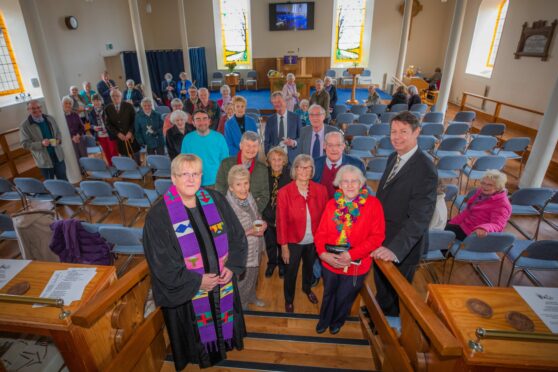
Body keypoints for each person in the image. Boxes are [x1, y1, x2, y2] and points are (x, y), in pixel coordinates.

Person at [143, 153, 247, 371]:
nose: (191, 179)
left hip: (222, 283)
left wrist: (232, 266)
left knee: (223, 319)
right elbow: (162, 263)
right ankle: (200, 355)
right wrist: (196, 282)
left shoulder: (215, 199)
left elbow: (237, 235)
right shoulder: (158, 215)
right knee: (197, 334)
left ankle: (224, 344)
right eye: (184, 174)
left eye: (195, 174)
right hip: (190, 294)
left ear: (201, 176)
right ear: (173, 178)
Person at [372, 111, 437, 316]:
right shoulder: (394, 156)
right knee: (381, 284)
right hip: (383, 235)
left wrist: (395, 249)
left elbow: (420, 218)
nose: (396, 137)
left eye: (403, 132)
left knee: (394, 291)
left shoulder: (425, 169)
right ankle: (378, 312)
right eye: (393, 131)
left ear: (416, 132)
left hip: (402, 246)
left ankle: (387, 329)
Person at [314, 165, 385, 334]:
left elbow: (377, 237)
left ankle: (337, 321)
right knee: (328, 294)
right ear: (339, 184)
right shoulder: (332, 204)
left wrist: (351, 254)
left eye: (354, 181)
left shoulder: (373, 205)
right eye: (345, 181)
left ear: (361, 184)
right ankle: (324, 320)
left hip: (356, 265)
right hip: (330, 262)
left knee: (344, 297)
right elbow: (320, 233)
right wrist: (323, 255)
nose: (350, 185)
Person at [276, 154, 328, 313]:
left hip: (314, 240)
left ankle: (307, 289)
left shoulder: (321, 190)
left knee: (309, 268)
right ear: (295, 169)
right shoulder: (284, 192)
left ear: (312, 170)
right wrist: (284, 246)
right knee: (291, 272)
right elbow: (281, 221)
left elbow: (326, 217)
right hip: (293, 241)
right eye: (300, 167)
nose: (304, 170)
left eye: (308, 167)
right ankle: (289, 299)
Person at [225, 165, 267, 310]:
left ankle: (252, 296)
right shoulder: (227, 206)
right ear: (231, 187)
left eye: (246, 183)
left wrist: (263, 223)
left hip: (256, 245)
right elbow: (228, 235)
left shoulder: (249, 197)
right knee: (242, 280)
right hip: (242, 251)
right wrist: (250, 232)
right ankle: (241, 306)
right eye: (238, 184)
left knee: (254, 275)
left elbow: (256, 215)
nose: (243, 188)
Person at [445, 170, 511, 241]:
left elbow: (498, 225)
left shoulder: (502, 205)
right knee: (442, 226)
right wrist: (453, 222)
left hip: (473, 233)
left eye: (490, 185)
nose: (485, 187)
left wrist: (484, 228)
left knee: (441, 232)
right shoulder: (481, 192)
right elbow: (468, 211)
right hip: (466, 223)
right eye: (483, 183)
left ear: (498, 187)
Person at [215, 131, 269, 213]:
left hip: (253, 214)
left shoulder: (262, 169)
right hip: (230, 213)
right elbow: (220, 191)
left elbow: (265, 196)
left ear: (258, 148)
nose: (251, 149)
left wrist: (252, 210)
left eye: (254, 146)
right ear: (241, 146)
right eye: (248, 145)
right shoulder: (226, 164)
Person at [19, 100, 67, 180]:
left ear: (41, 107)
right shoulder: (24, 126)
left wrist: (59, 140)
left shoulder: (50, 118)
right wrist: (41, 144)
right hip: (44, 160)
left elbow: (58, 132)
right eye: (33, 108)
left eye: (38, 107)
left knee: (63, 179)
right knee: (50, 183)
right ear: (28, 110)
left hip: (58, 156)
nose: (37, 110)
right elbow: (24, 144)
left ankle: (67, 192)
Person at [262, 147, 290, 278]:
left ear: (284, 161)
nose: (277, 162)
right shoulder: (264, 174)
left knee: (282, 242)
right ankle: (271, 263)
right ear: (269, 161)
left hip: (283, 217)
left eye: (280, 159)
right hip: (268, 215)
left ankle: (282, 265)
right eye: (274, 159)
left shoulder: (290, 176)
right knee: (270, 242)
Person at [182, 110, 229, 187]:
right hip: (195, 182)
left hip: (216, 181)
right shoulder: (187, 139)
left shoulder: (219, 138)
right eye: (198, 119)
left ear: (209, 121)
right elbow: (184, 163)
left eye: (205, 118)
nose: (202, 122)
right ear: (193, 123)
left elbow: (225, 162)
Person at [313, 131, 365, 198]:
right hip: (320, 207)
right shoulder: (314, 164)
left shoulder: (357, 165)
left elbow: (362, 192)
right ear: (324, 146)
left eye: (338, 145)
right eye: (330, 145)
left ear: (343, 146)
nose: (334, 149)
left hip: (347, 206)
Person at [104, 89, 141, 164]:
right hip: (120, 138)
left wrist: (130, 132)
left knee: (136, 156)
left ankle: (139, 169)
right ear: (110, 97)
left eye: (117, 96)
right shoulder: (107, 108)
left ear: (121, 96)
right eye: (113, 96)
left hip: (131, 136)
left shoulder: (129, 106)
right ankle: (129, 171)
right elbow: (108, 124)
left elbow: (135, 120)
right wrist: (117, 133)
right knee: (125, 157)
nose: (115, 97)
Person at [264, 91, 301, 163]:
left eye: (279, 101)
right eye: (274, 102)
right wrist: (269, 157)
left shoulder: (296, 118)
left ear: (285, 101)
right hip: (275, 160)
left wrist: (293, 142)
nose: (277, 104)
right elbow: (267, 142)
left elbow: (301, 137)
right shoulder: (270, 120)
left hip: (292, 158)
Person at [89, 94, 119, 166]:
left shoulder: (107, 109)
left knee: (113, 151)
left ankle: (118, 165)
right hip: (100, 135)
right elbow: (90, 124)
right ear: (92, 102)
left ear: (101, 101)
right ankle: (111, 165)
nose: (96, 103)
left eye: (98, 100)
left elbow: (114, 121)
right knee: (106, 151)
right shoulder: (91, 112)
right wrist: (94, 127)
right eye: (94, 101)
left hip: (110, 134)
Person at [62, 96, 87, 165]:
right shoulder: (61, 117)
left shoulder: (75, 114)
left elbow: (82, 127)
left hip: (79, 137)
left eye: (70, 103)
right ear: (62, 104)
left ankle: (86, 170)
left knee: (83, 154)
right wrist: (72, 137)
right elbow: (62, 131)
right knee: (75, 156)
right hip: (69, 140)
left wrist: (78, 135)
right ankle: (79, 172)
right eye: (66, 103)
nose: (68, 105)